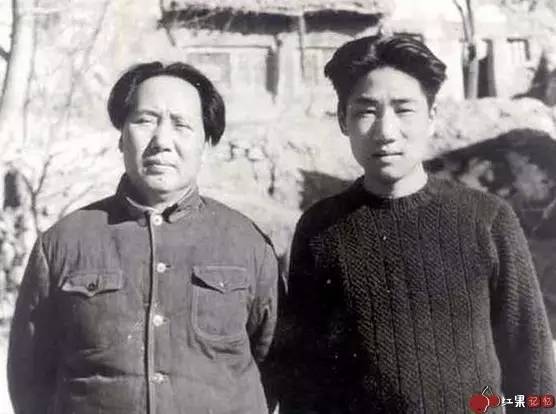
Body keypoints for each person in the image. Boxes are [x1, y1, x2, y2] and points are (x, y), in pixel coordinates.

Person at [282, 35, 556, 413]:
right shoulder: (320, 229)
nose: (386, 131)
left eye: (404, 109)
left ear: (431, 117)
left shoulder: (487, 219)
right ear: (343, 120)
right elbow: (304, 379)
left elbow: (533, 368)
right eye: (366, 111)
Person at [8, 62, 279, 414]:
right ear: (121, 136)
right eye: (145, 120)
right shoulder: (61, 244)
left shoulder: (249, 245)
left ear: (206, 143)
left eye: (181, 124)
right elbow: (30, 380)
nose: (162, 142)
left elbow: (276, 368)